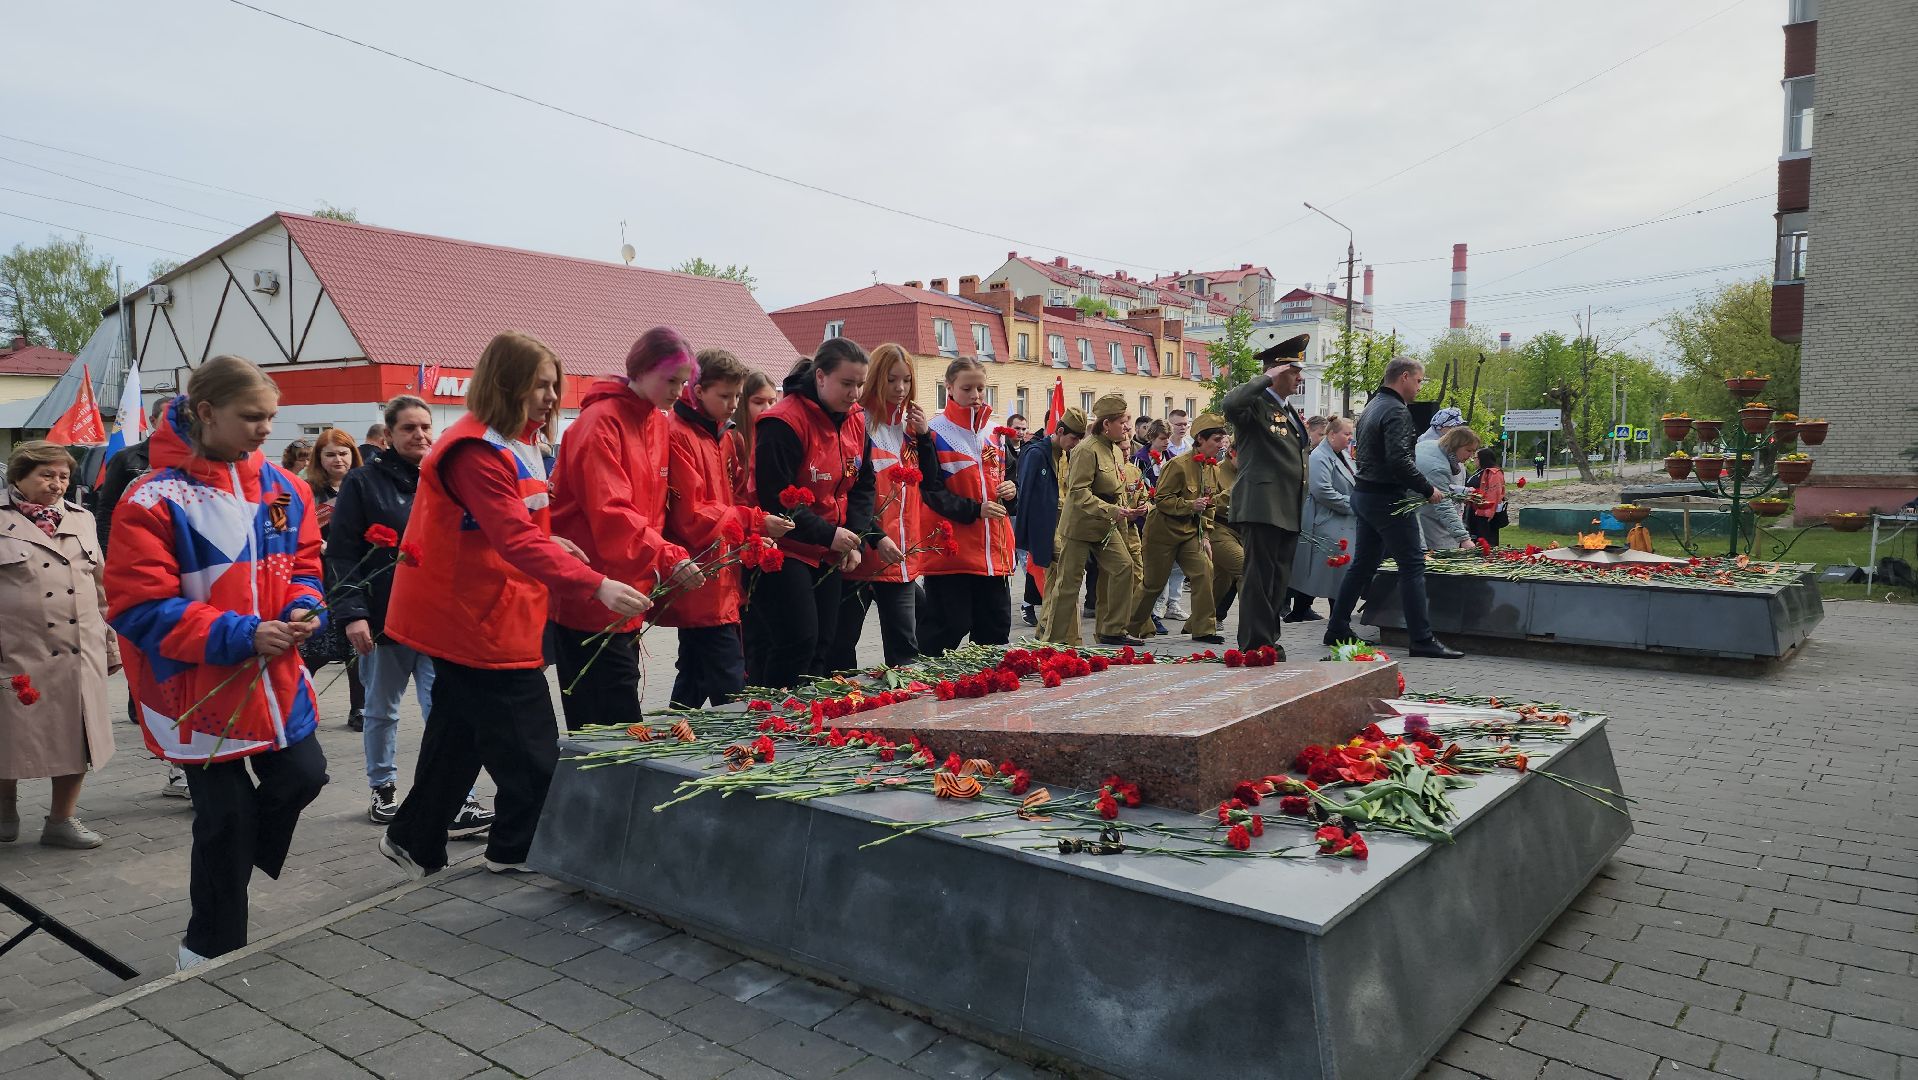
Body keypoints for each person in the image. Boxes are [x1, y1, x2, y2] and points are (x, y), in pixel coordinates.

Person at [380, 331, 650, 878]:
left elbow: (520, 529)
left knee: (457, 738)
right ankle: (516, 847)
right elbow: (513, 537)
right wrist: (594, 583)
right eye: (541, 386)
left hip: (492, 611)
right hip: (476, 620)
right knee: (531, 752)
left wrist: (556, 543)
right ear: (507, 385)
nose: (552, 398)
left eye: (555, 386)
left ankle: (415, 836)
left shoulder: (511, 441)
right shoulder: (476, 449)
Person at [105, 356, 328, 967]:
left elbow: (305, 567)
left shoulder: (288, 488)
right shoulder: (150, 498)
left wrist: (308, 609)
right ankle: (209, 946)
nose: (266, 430)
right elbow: (137, 607)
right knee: (225, 817)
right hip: (192, 689)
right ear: (205, 412)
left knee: (305, 777)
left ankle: (234, 866)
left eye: (271, 417)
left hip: (273, 679)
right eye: (252, 417)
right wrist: (241, 633)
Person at [328, 395, 493, 834]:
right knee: (382, 710)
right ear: (388, 435)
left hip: (440, 620)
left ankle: (458, 797)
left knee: (446, 709)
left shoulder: (444, 477)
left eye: (425, 427)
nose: (420, 435)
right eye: (409, 428)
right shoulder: (363, 483)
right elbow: (343, 554)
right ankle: (383, 789)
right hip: (385, 620)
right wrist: (353, 613)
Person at [550, 327, 701, 732]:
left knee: (614, 710)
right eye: (670, 380)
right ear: (641, 369)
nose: (677, 391)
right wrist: (668, 555)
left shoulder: (655, 421)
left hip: (627, 591)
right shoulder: (599, 424)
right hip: (592, 593)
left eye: (683, 382)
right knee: (609, 721)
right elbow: (611, 511)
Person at [1, 442, 119, 849]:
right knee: (8, 735)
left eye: (63, 477)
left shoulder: (82, 519)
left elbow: (101, 586)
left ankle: (61, 820)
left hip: (77, 650)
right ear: (18, 476)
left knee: (77, 736)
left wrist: (109, 646)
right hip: (15, 650)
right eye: (45, 475)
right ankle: (3, 811)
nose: (56, 484)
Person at [662, 349, 792, 704]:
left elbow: (734, 498)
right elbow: (691, 515)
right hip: (700, 571)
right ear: (698, 390)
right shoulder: (679, 435)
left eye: (737, 396)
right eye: (725, 396)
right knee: (728, 677)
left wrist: (753, 533)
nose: (733, 404)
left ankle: (675, 736)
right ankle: (737, 753)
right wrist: (754, 523)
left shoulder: (724, 435)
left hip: (720, 569)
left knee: (693, 672)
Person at [746, 338, 875, 688]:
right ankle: (772, 717)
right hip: (785, 546)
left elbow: (863, 484)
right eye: (847, 384)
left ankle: (807, 719)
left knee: (822, 643)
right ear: (820, 377)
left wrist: (855, 538)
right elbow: (776, 497)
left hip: (827, 547)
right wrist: (829, 534)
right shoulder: (783, 422)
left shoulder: (856, 420)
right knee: (797, 639)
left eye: (860, 384)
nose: (855, 393)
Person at [1326, 357, 1464, 659]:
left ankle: (1336, 626)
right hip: (1386, 498)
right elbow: (1398, 460)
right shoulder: (1396, 410)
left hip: (1364, 494)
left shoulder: (1372, 406)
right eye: (1418, 380)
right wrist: (1427, 489)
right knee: (1413, 565)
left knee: (1363, 564)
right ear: (1404, 377)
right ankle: (1422, 639)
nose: (1419, 386)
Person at [828, 344, 924, 669]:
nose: (900, 389)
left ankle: (907, 717)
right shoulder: (856, 424)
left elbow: (932, 487)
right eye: (891, 380)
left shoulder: (913, 430)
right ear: (874, 380)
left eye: (906, 381)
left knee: (905, 653)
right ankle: (843, 711)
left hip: (899, 561)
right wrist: (873, 535)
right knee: (841, 647)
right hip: (856, 557)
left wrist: (924, 439)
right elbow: (853, 494)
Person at [916, 358, 1017, 654]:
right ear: (949, 388)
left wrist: (1012, 491)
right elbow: (931, 491)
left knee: (995, 631)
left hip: (994, 552)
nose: (975, 395)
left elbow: (1010, 475)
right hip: (952, 553)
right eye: (967, 388)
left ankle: (989, 692)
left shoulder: (996, 433)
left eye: (981, 389)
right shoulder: (934, 433)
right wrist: (975, 509)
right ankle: (926, 686)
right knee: (948, 627)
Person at [1222, 334, 1310, 658]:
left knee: (1276, 582)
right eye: (1294, 371)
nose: (1299, 378)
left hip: (1287, 509)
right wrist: (1264, 378)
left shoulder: (1287, 410)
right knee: (1258, 580)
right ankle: (1255, 645)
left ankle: (1268, 640)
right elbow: (1230, 404)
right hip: (1262, 507)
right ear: (1276, 370)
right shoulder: (1257, 405)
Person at [1040, 394, 1142, 646]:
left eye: (1127, 421)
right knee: (1069, 584)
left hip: (1106, 526)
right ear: (1106, 425)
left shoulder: (1116, 450)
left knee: (1123, 567)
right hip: (1080, 526)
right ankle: (1054, 641)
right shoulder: (1086, 450)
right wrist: (1111, 510)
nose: (1127, 426)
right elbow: (1078, 493)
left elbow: (1117, 487)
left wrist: (1131, 508)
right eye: (1122, 421)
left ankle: (1112, 629)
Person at [1126, 413, 1225, 644]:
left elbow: (1209, 505)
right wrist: (1190, 504)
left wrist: (1206, 535)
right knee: (1153, 584)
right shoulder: (1177, 465)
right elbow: (1161, 500)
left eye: (1222, 440)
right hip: (1163, 533)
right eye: (1216, 440)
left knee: (1204, 571)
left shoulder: (1212, 469)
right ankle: (1127, 628)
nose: (1221, 445)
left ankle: (1203, 629)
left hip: (1190, 532)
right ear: (1200, 439)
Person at [300, 429, 366, 731]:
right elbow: (275, 519)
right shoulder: (300, 487)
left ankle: (360, 709)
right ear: (319, 458)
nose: (338, 459)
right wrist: (312, 542)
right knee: (315, 648)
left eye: (343, 452)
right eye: (330, 453)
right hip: (316, 576)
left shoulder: (365, 485)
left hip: (355, 576)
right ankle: (294, 702)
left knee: (358, 649)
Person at [1013, 409, 1083, 631]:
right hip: (1044, 529)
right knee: (1058, 583)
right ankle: (1054, 632)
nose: (1075, 444)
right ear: (1060, 431)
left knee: (1058, 584)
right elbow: (1025, 496)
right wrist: (1031, 538)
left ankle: (1050, 629)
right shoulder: (1035, 453)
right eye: (1073, 438)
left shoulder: (1063, 453)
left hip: (1061, 528)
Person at [1287, 416, 1357, 620]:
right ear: (1332, 434)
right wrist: (1353, 505)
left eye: (1351, 434)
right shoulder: (1319, 456)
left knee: (1332, 572)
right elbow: (1322, 491)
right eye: (1346, 433)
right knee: (1335, 571)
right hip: (1326, 521)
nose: (1349, 438)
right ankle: (1337, 619)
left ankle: (1304, 611)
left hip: (1340, 522)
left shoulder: (1342, 454)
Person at [1417, 427, 1481, 551]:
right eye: (1468, 450)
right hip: (1412, 511)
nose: (1471, 456)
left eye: (1474, 452)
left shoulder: (1429, 445)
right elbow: (1443, 505)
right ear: (1455, 445)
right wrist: (1464, 539)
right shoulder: (1437, 467)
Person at [1208, 439, 1245, 627]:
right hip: (1218, 529)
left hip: (1241, 531)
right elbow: (1208, 503)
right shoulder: (1215, 471)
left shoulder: (1247, 472)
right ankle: (1255, 624)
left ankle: (1198, 623)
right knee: (1246, 569)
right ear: (1232, 452)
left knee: (1221, 581)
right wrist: (1235, 491)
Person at [730, 370, 778, 505]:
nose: (767, 409)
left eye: (772, 402)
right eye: (758, 402)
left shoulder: (773, 435)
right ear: (742, 403)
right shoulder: (734, 438)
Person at [1466, 446, 1508, 547]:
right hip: (1474, 510)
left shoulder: (1494, 473)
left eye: (1475, 458)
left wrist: (1488, 512)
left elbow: (1494, 493)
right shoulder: (1479, 471)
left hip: (1485, 513)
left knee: (1486, 540)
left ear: (1482, 458)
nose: (1474, 460)